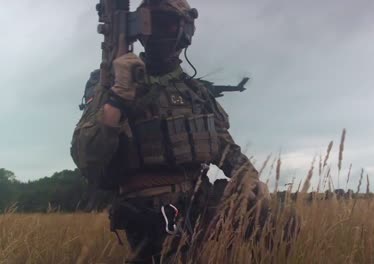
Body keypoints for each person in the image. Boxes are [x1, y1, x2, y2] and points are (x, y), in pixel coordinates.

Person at [71, 0, 268, 263]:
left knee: (276, 216)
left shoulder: (195, 92)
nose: (158, 32)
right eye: (150, 23)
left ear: (185, 30)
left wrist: (248, 178)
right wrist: (117, 97)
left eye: (167, 23)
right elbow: (87, 157)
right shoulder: (113, 83)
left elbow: (224, 147)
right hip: (148, 209)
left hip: (200, 199)